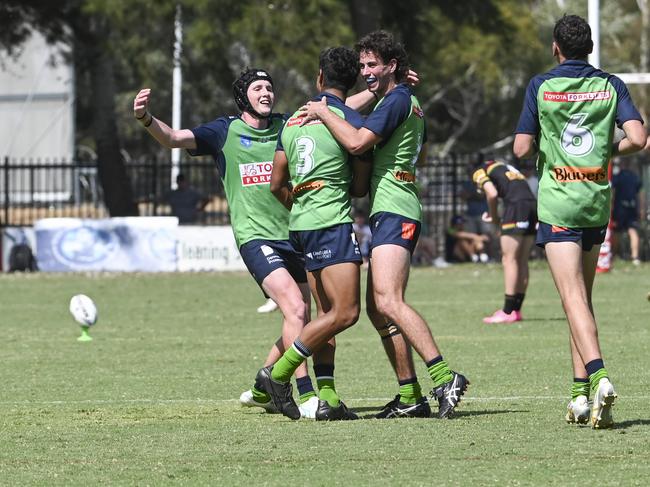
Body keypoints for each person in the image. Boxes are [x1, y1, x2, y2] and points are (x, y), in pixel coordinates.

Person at [133, 69, 320, 418]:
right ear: (243, 97)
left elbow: (333, 107)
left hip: (296, 233)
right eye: (258, 88)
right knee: (295, 309)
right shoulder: (225, 130)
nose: (266, 93)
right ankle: (306, 393)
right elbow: (173, 137)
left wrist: (384, 88)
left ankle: (263, 385)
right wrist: (145, 118)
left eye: (269, 87)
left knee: (300, 319)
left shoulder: (288, 125)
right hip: (256, 238)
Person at [302, 30, 469, 419]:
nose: (365, 72)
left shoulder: (397, 100)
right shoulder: (398, 100)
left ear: (391, 65)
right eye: (361, 66)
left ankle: (445, 377)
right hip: (390, 207)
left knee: (389, 299)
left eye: (372, 65)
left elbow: (358, 141)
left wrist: (324, 111)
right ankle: (410, 396)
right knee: (379, 310)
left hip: (396, 208)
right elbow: (378, 128)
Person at [513, 14, 646, 428]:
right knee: (581, 300)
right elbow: (640, 139)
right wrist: (604, 153)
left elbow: (520, 149)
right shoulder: (611, 85)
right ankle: (579, 396)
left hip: (558, 205)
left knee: (571, 298)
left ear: (556, 47)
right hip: (595, 203)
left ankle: (600, 375)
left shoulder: (542, 86)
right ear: (589, 47)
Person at [259, 46, 368, 420]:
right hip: (332, 222)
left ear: (320, 77)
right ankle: (278, 373)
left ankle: (328, 399)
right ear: (352, 80)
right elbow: (359, 188)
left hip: (301, 226)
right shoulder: (349, 119)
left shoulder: (291, 122)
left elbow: (276, 184)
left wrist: (301, 201)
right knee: (347, 312)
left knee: (325, 315)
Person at [472, 159, 537, 323]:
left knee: (509, 259)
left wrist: (494, 218)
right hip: (531, 206)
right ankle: (516, 310)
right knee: (522, 260)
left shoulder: (479, 171)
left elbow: (491, 193)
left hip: (516, 208)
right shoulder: (506, 167)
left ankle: (507, 311)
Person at [611, 159, 644, 265]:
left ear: (621, 165)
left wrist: (610, 207)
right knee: (633, 231)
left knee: (616, 233)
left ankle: (613, 255)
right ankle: (635, 258)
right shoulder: (635, 177)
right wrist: (641, 209)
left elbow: (612, 192)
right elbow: (640, 195)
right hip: (632, 208)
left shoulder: (617, 177)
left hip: (619, 209)